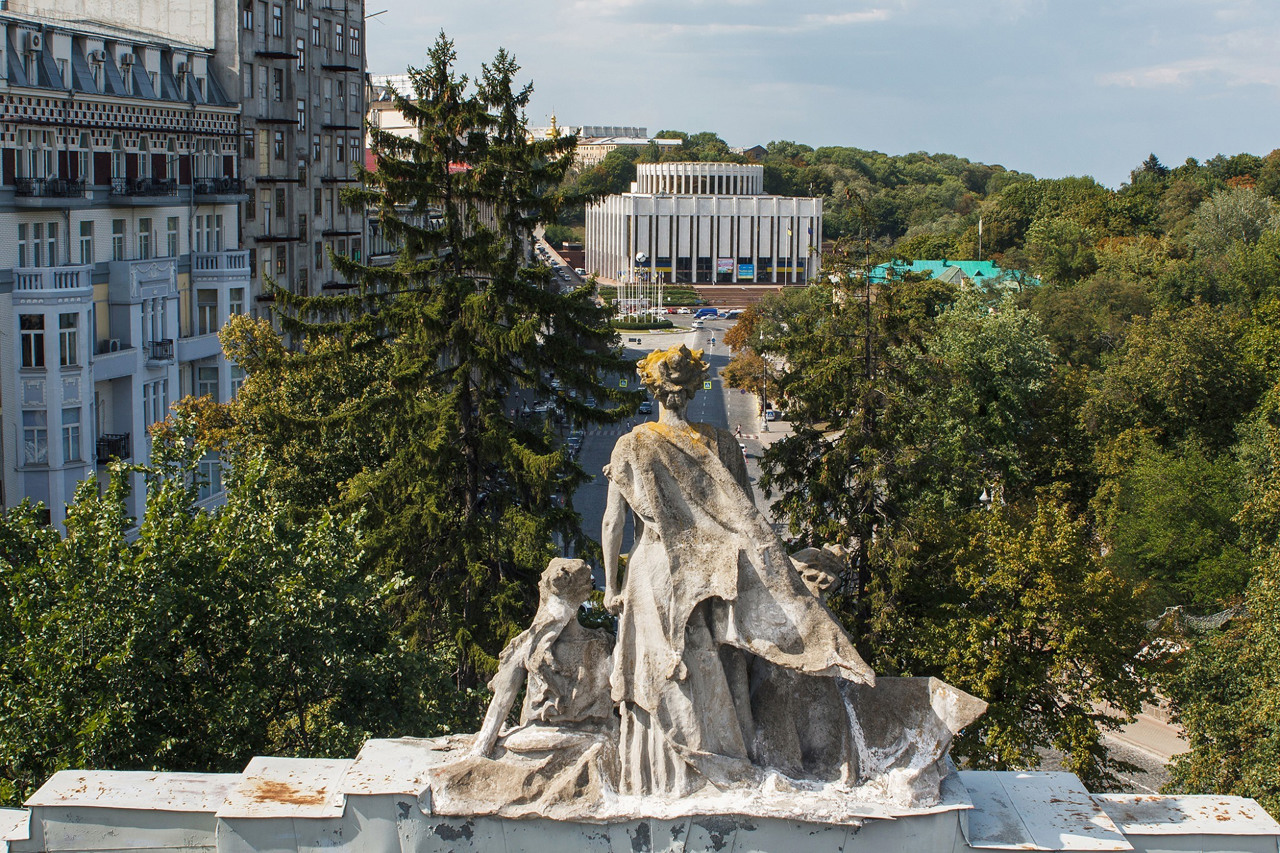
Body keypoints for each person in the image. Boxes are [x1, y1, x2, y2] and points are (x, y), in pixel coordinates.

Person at [601, 344, 874, 796]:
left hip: (657, 573)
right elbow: (747, 518)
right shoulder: (723, 443)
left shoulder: (632, 445)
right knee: (718, 670)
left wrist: (611, 585)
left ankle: (664, 779)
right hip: (715, 575)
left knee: (664, 675)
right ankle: (723, 764)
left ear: (652, 389)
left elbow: (613, 522)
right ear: (694, 387)